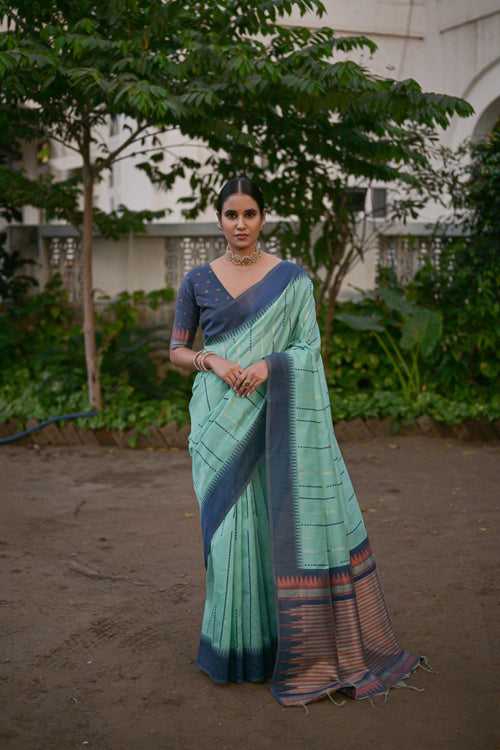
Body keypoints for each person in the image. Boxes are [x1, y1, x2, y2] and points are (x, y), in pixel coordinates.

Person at [168, 175, 432, 710]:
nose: (240, 224)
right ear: (218, 219)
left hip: (273, 415)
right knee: (227, 537)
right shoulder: (197, 280)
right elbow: (176, 349)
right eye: (231, 215)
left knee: (271, 526)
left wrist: (269, 365)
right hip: (219, 419)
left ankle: (274, 648)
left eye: (249, 214)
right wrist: (212, 360)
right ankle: (230, 646)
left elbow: (307, 348)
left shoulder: (292, 280)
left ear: (264, 218)